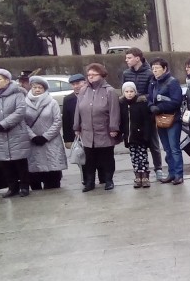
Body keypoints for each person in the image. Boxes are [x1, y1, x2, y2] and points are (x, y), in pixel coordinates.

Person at [73, 63, 120, 192]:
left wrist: (113, 128)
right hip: (87, 132)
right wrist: (76, 127)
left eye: (93, 74)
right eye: (88, 75)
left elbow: (114, 111)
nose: (90, 77)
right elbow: (78, 110)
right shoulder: (83, 90)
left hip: (104, 131)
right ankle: (89, 182)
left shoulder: (109, 91)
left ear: (101, 75)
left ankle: (108, 180)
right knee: (89, 160)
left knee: (107, 158)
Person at [0, 69, 30, 197]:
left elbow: (20, 111)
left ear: (7, 80)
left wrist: (4, 123)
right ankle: (12, 187)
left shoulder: (17, 93)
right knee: (5, 163)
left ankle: (24, 187)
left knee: (20, 161)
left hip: (16, 132)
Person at [122, 47, 164, 181]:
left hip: (146, 111)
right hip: (132, 113)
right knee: (136, 145)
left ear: (137, 58)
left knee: (152, 142)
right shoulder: (126, 73)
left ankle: (158, 169)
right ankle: (140, 171)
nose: (126, 60)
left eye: (129, 58)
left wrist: (142, 97)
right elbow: (125, 89)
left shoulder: (149, 73)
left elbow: (153, 92)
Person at [24, 76, 67, 190]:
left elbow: (57, 121)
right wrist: (32, 136)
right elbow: (23, 123)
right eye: (34, 87)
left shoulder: (52, 102)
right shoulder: (24, 103)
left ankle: (53, 185)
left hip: (51, 142)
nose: (37, 90)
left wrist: (45, 137)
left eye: (40, 87)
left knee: (52, 174)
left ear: (45, 89)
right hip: (32, 143)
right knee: (34, 172)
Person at [147, 57, 184, 185]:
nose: (155, 71)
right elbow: (149, 98)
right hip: (159, 119)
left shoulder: (172, 82)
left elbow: (176, 101)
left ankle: (179, 174)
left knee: (174, 148)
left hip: (172, 119)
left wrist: (160, 107)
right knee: (167, 148)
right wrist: (151, 106)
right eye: (153, 68)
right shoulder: (152, 82)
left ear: (165, 69)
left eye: (157, 68)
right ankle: (171, 173)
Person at [120, 81, 153, 189]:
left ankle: (145, 176)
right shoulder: (122, 104)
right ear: (123, 92)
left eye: (131, 91)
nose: (129, 94)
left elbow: (147, 121)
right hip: (130, 136)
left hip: (141, 135)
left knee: (143, 156)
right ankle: (137, 176)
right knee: (134, 157)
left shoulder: (141, 103)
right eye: (127, 91)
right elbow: (122, 121)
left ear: (135, 92)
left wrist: (147, 135)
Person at [61, 74, 85, 149]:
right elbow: (66, 121)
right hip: (76, 136)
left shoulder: (92, 96)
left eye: (78, 83)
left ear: (85, 82)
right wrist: (67, 140)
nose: (75, 86)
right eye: (73, 84)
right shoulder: (68, 99)